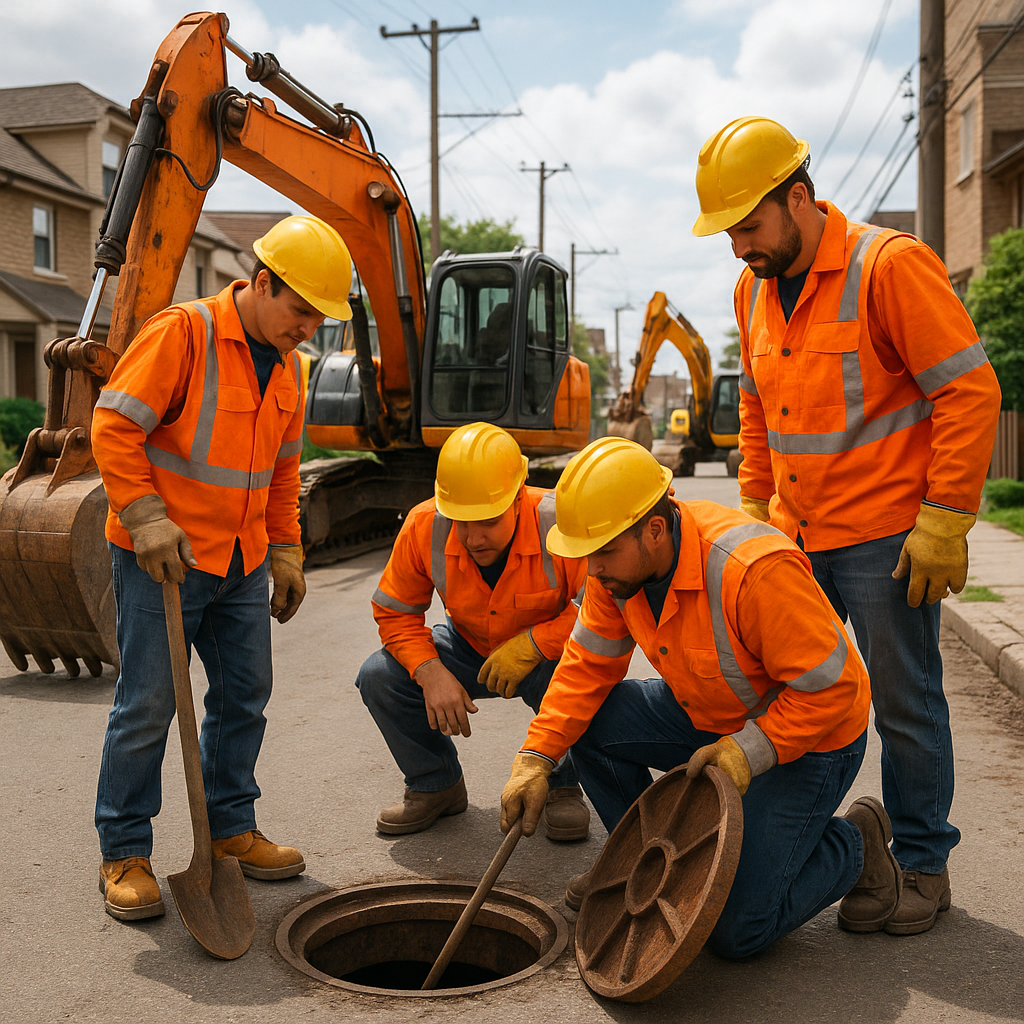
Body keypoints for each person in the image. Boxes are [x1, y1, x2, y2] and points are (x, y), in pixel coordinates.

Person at [691, 116, 1002, 935]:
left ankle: (924, 864)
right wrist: (755, 507)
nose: (739, 250)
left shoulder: (887, 267)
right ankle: (816, 844)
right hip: (794, 538)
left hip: (886, 539)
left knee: (904, 703)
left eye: (749, 228)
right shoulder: (751, 289)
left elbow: (969, 391)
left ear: (799, 197)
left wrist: (944, 520)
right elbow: (757, 409)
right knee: (788, 696)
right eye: (728, 234)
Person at [500, 438, 901, 960]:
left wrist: (748, 751)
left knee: (734, 930)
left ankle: (855, 844)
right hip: (708, 717)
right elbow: (584, 669)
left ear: (655, 529)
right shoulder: (617, 573)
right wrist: (536, 757)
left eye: (600, 553)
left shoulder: (750, 569)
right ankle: (640, 863)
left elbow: (833, 688)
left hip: (810, 740)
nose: (591, 570)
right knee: (592, 722)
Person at [91, 214, 354, 921]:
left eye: (318, 319)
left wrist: (288, 547)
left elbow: (281, 471)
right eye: (300, 310)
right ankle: (124, 850)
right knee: (149, 704)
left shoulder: (292, 369)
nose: (307, 329)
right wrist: (145, 517)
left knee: (244, 695)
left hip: (240, 561)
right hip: (164, 560)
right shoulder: (184, 333)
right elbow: (114, 425)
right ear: (262, 283)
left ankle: (231, 829)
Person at [357, 421, 590, 840]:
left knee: (574, 675)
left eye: (487, 520)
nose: (473, 536)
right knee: (379, 676)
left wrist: (536, 644)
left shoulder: (560, 520)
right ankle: (436, 784)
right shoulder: (424, 525)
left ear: (519, 497)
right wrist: (430, 671)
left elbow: (598, 609)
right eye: (461, 521)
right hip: (467, 646)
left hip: (545, 655)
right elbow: (394, 613)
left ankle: (560, 784)